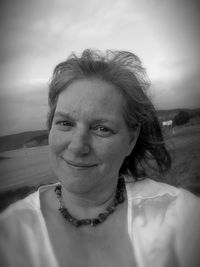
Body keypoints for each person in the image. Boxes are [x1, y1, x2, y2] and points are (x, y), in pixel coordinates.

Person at [0, 49, 200, 267]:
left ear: (131, 140)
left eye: (102, 128)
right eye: (65, 123)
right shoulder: (11, 233)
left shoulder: (180, 217)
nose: (77, 147)